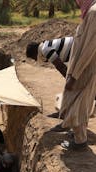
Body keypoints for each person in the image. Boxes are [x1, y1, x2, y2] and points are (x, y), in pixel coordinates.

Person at [59, 0, 96, 150]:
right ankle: (78, 135)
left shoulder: (94, 13)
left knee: (77, 102)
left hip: (84, 69)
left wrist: (74, 75)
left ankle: (80, 141)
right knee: (81, 102)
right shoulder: (91, 12)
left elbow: (89, 48)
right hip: (83, 68)